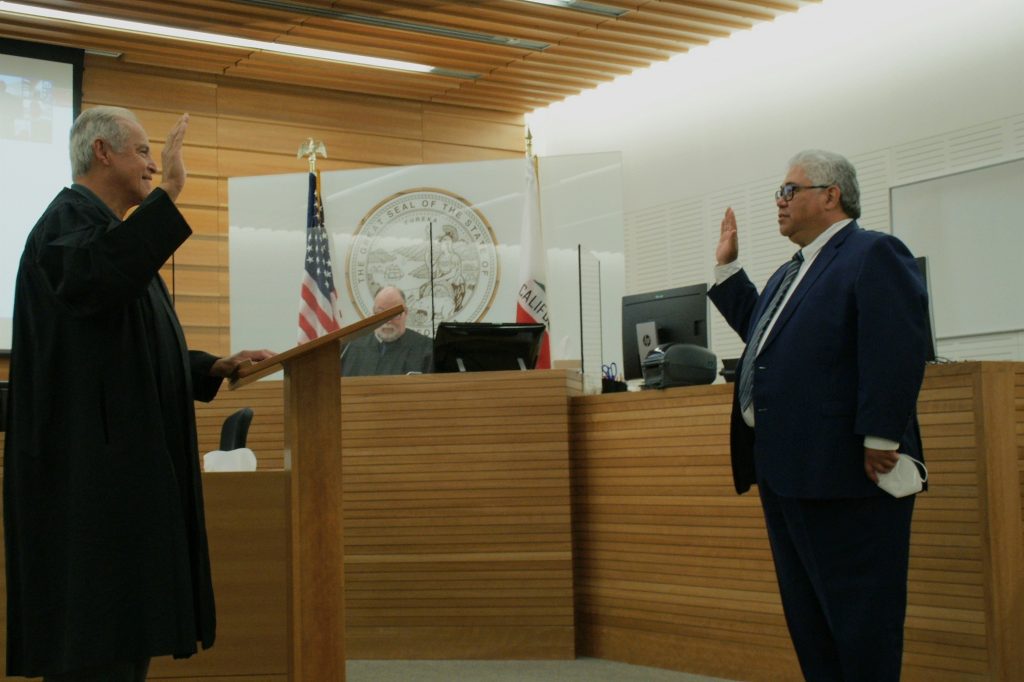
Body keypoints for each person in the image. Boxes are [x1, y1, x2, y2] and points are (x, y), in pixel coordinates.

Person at [2, 106, 273, 681]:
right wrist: (170, 193)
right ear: (102, 152)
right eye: (143, 151)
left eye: (155, 156)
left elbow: (128, 346)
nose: (153, 164)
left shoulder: (111, 239)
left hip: (121, 479)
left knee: (125, 641)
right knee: (97, 645)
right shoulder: (64, 226)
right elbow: (97, 282)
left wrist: (209, 367)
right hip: (88, 485)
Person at [708, 150, 930, 681]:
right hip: (785, 473)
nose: (778, 202)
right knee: (810, 624)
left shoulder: (872, 252)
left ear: (831, 196)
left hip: (845, 476)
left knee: (860, 626)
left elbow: (897, 345)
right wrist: (728, 267)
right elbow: (766, 338)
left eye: (790, 190)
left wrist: (881, 433)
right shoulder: (794, 271)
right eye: (779, 193)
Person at [342, 286, 433, 376]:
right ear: (373, 314)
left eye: (394, 313)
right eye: (381, 313)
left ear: (406, 313)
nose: (388, 321)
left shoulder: (427, 349)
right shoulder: (350, 347)